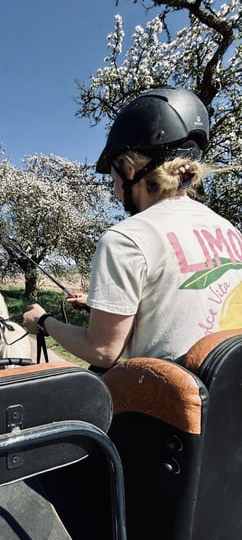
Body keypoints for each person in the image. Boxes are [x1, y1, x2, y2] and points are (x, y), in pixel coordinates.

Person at [23, 86, 242, 371]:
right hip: (228, 390)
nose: (113, 186)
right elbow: (185, 309)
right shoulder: (229, 230)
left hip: (167, 396)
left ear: (128, 169)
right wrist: (99, 306)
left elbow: (102, 351)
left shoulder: (125, 239)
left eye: (112, 173)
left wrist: (43, 321)